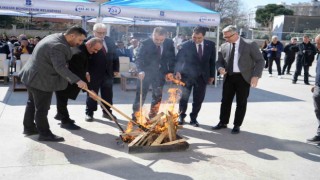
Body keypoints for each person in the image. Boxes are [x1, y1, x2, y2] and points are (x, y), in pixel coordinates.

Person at [19, 26, 88, 142]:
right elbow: (60, 67)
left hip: (31, 75)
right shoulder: (58, 46)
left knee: (32, 103)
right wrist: (78, 80)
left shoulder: (56, 37)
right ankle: (44, 134)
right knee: (42, 108)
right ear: (72, 35)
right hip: (41, 80)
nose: (80, 43)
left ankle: (29, 128)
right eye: (80, 40)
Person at [212, 25, 265, 134]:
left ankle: (237, 125)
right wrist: (220, 68)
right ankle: (223, 122)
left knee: (241, 102)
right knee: (225, 101)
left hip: (243, 78)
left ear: (236, 34)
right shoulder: (224, 46)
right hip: (229, 77)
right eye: (224, 37)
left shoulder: (250, 44)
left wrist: (256, 76)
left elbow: (260, 61)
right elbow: (219, 62)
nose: (226, 39)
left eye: (228, 37)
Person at [54, 37, 103, 130]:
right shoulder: (79, 53)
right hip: (62, 77)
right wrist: (90, 90)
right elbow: (79, 73)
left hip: (68, 76)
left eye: (98, 50)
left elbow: (83, 69)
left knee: (62, 98)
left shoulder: (84, 50)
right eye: (95, 49)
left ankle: (60, 115)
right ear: (89, 44)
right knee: (62, 97)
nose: (96, 52)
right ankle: (65, 121)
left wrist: (86, 72)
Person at [175, 26, 216, 127]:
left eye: (199, 38)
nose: (196, 40)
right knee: (184, 98)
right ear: (192, 35)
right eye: (194, 37)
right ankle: (181, 116)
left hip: (202, 77)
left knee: (198, 99)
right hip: (186, 76)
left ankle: (194, 118)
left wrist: (212, 75)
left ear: (203, 36)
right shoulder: (185, 45)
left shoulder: (210, 45)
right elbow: (178, 59)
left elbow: (212, 61)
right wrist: (177, 71)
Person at [132, 27, 175, 120]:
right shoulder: (145, 43)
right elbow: (138, 58)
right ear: (153, 35)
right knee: (141, 95)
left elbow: (172, 58)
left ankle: (153, 116)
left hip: (160, 73)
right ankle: (135, 116)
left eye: (161, 40)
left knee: (157, 96)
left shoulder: (169, 43)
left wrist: (170, 71)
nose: (159, 42)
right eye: (156, 39)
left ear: (165, 37)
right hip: (145, 73)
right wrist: (140, 70)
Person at [85, 23, 119, 122]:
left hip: (108, 72)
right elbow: (84, 59)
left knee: (108, 94)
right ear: (94, 32)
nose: (102, 35)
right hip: (93, 73)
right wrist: (86, 71)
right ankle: (89, 113)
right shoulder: (88, 41)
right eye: (99, 33)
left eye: (104, 33)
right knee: (92, 94)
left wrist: (116, 69)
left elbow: (115, 55)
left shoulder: (110, 40)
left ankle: (107, 112)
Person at [308, 34, 320, 148]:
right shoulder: (319, 54)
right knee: (318, 111)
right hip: (318, 87)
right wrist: (315, 84)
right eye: (317, 43)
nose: (317, 45)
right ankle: (319, 135)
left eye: (319, 43)